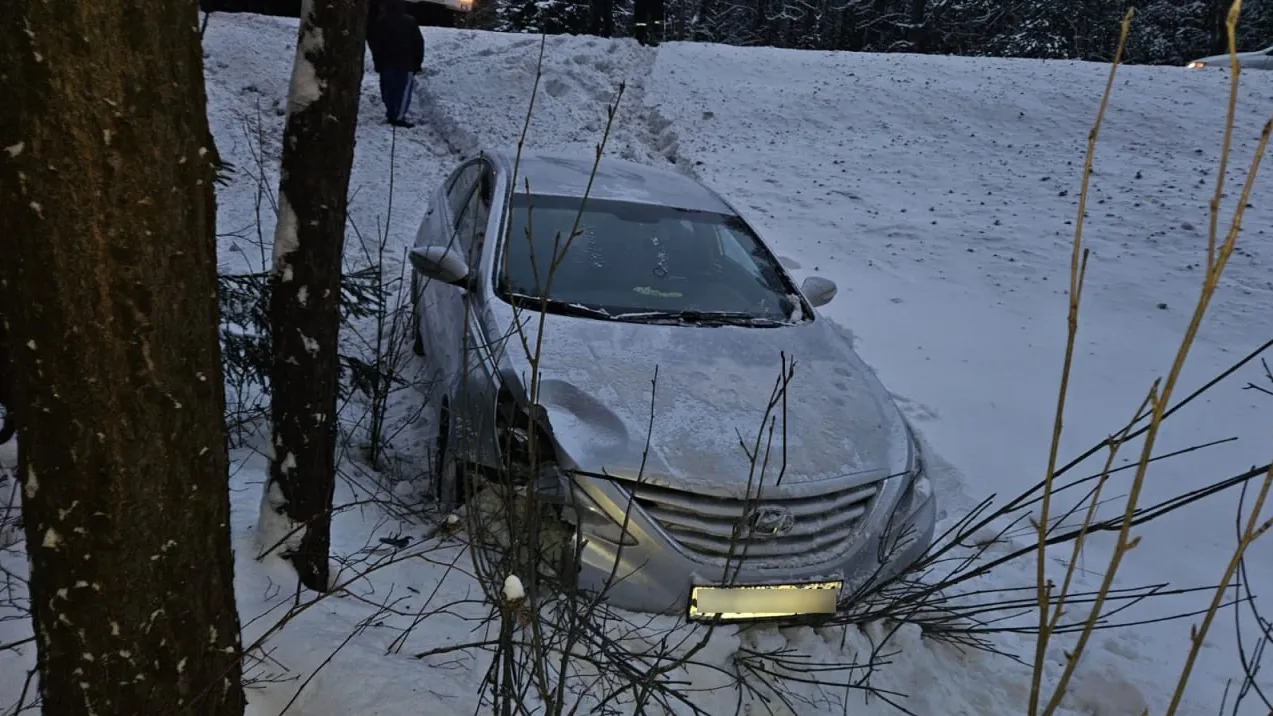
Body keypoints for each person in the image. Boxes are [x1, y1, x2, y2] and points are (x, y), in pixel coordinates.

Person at [367, 0, 424, 128]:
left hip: (386, 63)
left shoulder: (380, 22)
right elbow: (418, 44)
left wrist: (377, 61)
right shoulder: (410, 22)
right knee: (402, 92)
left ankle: (391, 111)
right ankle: (398, 117)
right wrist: (418, 63)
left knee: (388, 89)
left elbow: (376, 44)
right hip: (405, 64)